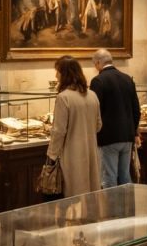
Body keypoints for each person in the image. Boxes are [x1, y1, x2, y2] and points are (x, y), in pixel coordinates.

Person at [47, 56, 102, 197]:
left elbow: (59, 131)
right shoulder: (93, 95)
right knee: (91, 194)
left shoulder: (63, 97)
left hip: (72, 153)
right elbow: (98, 125)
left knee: (74, 195)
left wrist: (51, 156)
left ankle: (75, 220)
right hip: (91, 151)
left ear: (65, 73)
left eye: (57, 71)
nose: (56, 75)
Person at [89, 48, 140, 188]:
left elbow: (95, 110)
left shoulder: (98, 81)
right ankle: (128, 208)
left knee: (108, 176)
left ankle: (110, 209)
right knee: (125, 175)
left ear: (98, 63)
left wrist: (94, 132)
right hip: (127, 136)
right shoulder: (127, 79)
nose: (95, 67)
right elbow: (136, 109)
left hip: (108, 137)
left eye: (95, 64)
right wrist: (134, 132)